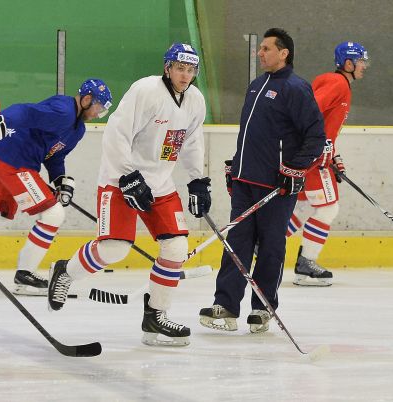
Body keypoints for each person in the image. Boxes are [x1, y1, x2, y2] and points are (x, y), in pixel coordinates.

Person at [47, 43, 210, 347]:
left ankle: (155, 317)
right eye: (180, 68)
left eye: (190, 70)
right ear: (167, 67)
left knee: (175, 247)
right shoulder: (145, 90)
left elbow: (191, 142)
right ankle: (65, 271)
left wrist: (197, 180)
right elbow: (116, 133)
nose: (185, 75)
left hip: (160, 185)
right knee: (113, 250)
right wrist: (128, 176)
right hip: (119, 180)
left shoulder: (195, 101)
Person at [199, 28, 326, 333]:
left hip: (276, 187)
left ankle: (263, 308)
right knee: (237, 243)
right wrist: (237, 167)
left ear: (284, 53)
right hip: (246, 182)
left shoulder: (296, 88)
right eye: (261, 48)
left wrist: (294, 171)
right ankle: (227, 305)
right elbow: (252, 135)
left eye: (267, 48)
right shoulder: (256, 86)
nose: (260, 52)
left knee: (271, 247)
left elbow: (315, 136)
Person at [0, 79, 113, 296]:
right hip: (14, 163)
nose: (97, 113)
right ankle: (25, 276)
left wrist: (60, 180)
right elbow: (24, 111)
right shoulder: (63, 111)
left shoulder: (77, 129)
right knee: (53, 214)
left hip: (7, 162)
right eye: (98, 108)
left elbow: (55, 156)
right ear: (86, 99)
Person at [287, 41, 369, 287]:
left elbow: (320, 122)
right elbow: (307, 112)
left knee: (304, 207)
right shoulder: (337, 83)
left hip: (313, 155)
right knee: (327, 208)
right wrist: (319, 146)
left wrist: (332, 152)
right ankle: (306, 263)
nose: (364, 66)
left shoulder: (336, 83)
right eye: (361, 62)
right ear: (348, 63)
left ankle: (265, 242)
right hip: (312, 159)